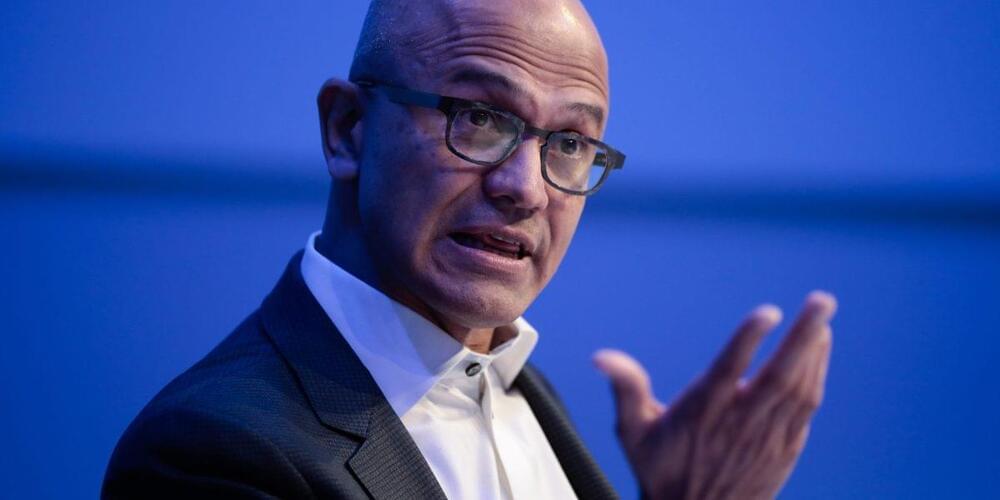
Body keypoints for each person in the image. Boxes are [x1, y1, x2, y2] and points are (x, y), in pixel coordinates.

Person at [103, 0, 837, 498]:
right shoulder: (214, 451)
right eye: (480, 118)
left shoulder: (519, 388)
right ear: (348, 130)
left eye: (570, 143)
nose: (526, 189)